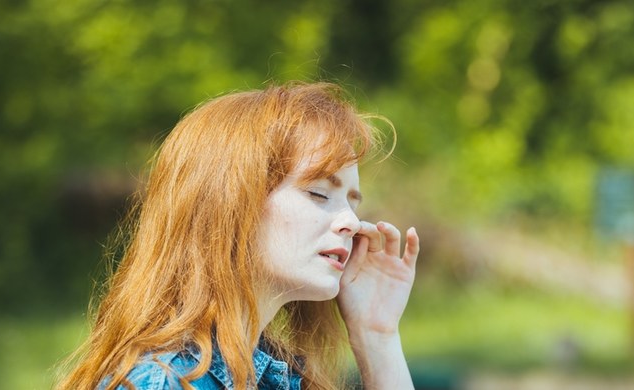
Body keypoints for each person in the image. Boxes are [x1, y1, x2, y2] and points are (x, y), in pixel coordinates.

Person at [57, 82, 420, 389]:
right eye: (319, 194)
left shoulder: (279, 378)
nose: (352, 223)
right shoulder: (162, 382)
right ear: (230, 203)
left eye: (352, 203)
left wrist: (377, 336)